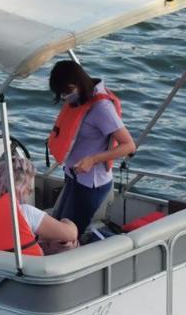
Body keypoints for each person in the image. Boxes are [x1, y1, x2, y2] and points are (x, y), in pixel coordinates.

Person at [46, 60, 136, 233]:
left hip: (90, 184)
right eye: (61, 94)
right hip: (73, 175)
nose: (65, 97)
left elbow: (129, 145)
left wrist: (93, 159)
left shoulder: (102, 108)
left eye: (67, 92)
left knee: (67, 235)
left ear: (78, 83)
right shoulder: (78, 101)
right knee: (58, 224)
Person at [0, 156, 78, 255]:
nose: (30, 191)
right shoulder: (27, 213)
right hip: (29, 271)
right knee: (71, 243)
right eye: (27, 187)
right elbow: (71, 234)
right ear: (18, 188)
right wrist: (66, 220)